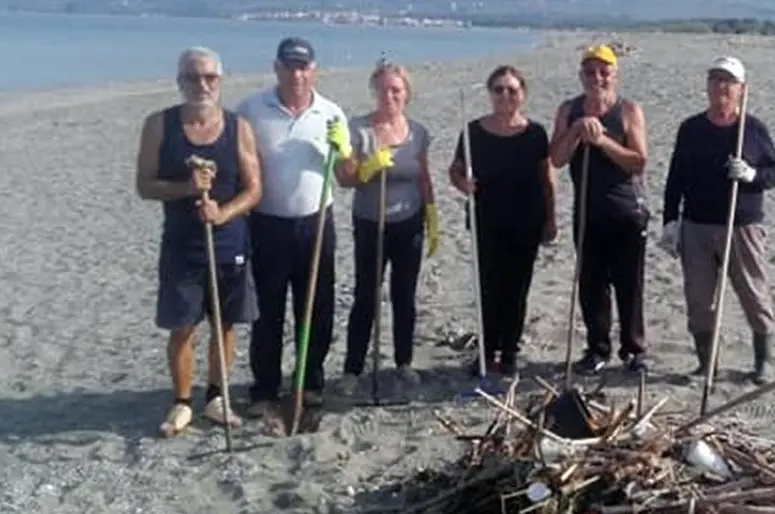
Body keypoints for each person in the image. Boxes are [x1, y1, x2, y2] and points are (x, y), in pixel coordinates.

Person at [134, 47, 262, 435]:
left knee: (224, 323)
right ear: (180, 82)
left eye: (209, 77)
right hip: (182, 244)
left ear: (220, 81)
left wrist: (223, 213)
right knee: (182, 326)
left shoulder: (238, 127)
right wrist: (185, 188)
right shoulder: (159, 125)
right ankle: (183, 401)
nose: (202, 85)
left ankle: (217, 397)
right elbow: (144, 185)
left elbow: (254, 189)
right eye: (193, 77)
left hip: (228, 242)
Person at [234, 37, 350, 415]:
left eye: (303, 66)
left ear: (314, 70)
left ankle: (310, 382)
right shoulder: (251, 110)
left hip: (316, 223)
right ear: (277, 68)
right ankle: (265, 389)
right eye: (290, 66)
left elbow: (348, 176)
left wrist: (343, 150)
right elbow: (238, 167)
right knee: (267, 310)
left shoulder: (331, 113)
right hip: (267, 224)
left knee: (316, 307)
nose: (297, 74)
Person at [659, 56, 775, 385]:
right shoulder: (691, 129)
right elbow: (676, 177)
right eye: (715, 79)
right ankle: (706, 364)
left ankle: (763, 362)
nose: (720, 87)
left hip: (742, 225)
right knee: (699, 298)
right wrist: (671, 221)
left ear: (742, 89)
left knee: (754, 293)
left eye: (728, 81)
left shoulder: (753, 129)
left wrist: (751, 174)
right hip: (697, 225)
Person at [335, 59, 439, 393]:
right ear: (374, 91)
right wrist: (366, 168)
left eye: (396, 90)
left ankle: (403, 362)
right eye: (382, 90)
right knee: (366, 295)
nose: (389, 96)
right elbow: (345, 178)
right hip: (370, 224)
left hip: (409, 224)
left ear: (406, 93)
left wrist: (432, 215)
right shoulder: (358, 129)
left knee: (404, 296)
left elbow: (423, 177)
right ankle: (353, 368)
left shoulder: (418, 133)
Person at [547, 44, 650, 375]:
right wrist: (577, 131)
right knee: (592, 284)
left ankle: (634, 351)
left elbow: (638, 162)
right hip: (587, 212)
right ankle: (597, 348)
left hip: (626, 211)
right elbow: (558, 159)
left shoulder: (628, 110)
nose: (597, 78)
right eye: (590, 71)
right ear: (581, 76)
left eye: (604, 71)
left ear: (614, 75)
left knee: (629, 284)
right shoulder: (569, 109)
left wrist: (604, 141)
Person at [448, 65, 556, 377]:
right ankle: (486, 349)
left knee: (516, 288)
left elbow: (546, 179)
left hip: (526, 221)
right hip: (486, 220)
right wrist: (462, 184)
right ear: (490, 93)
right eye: (498, 89)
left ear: (522, 94)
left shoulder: (535, 133)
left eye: (511, 89)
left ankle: (509, 351)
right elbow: (455, 169)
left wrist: (550, 219)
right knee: (488, 287)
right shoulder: (473, 132)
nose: (505, 95)